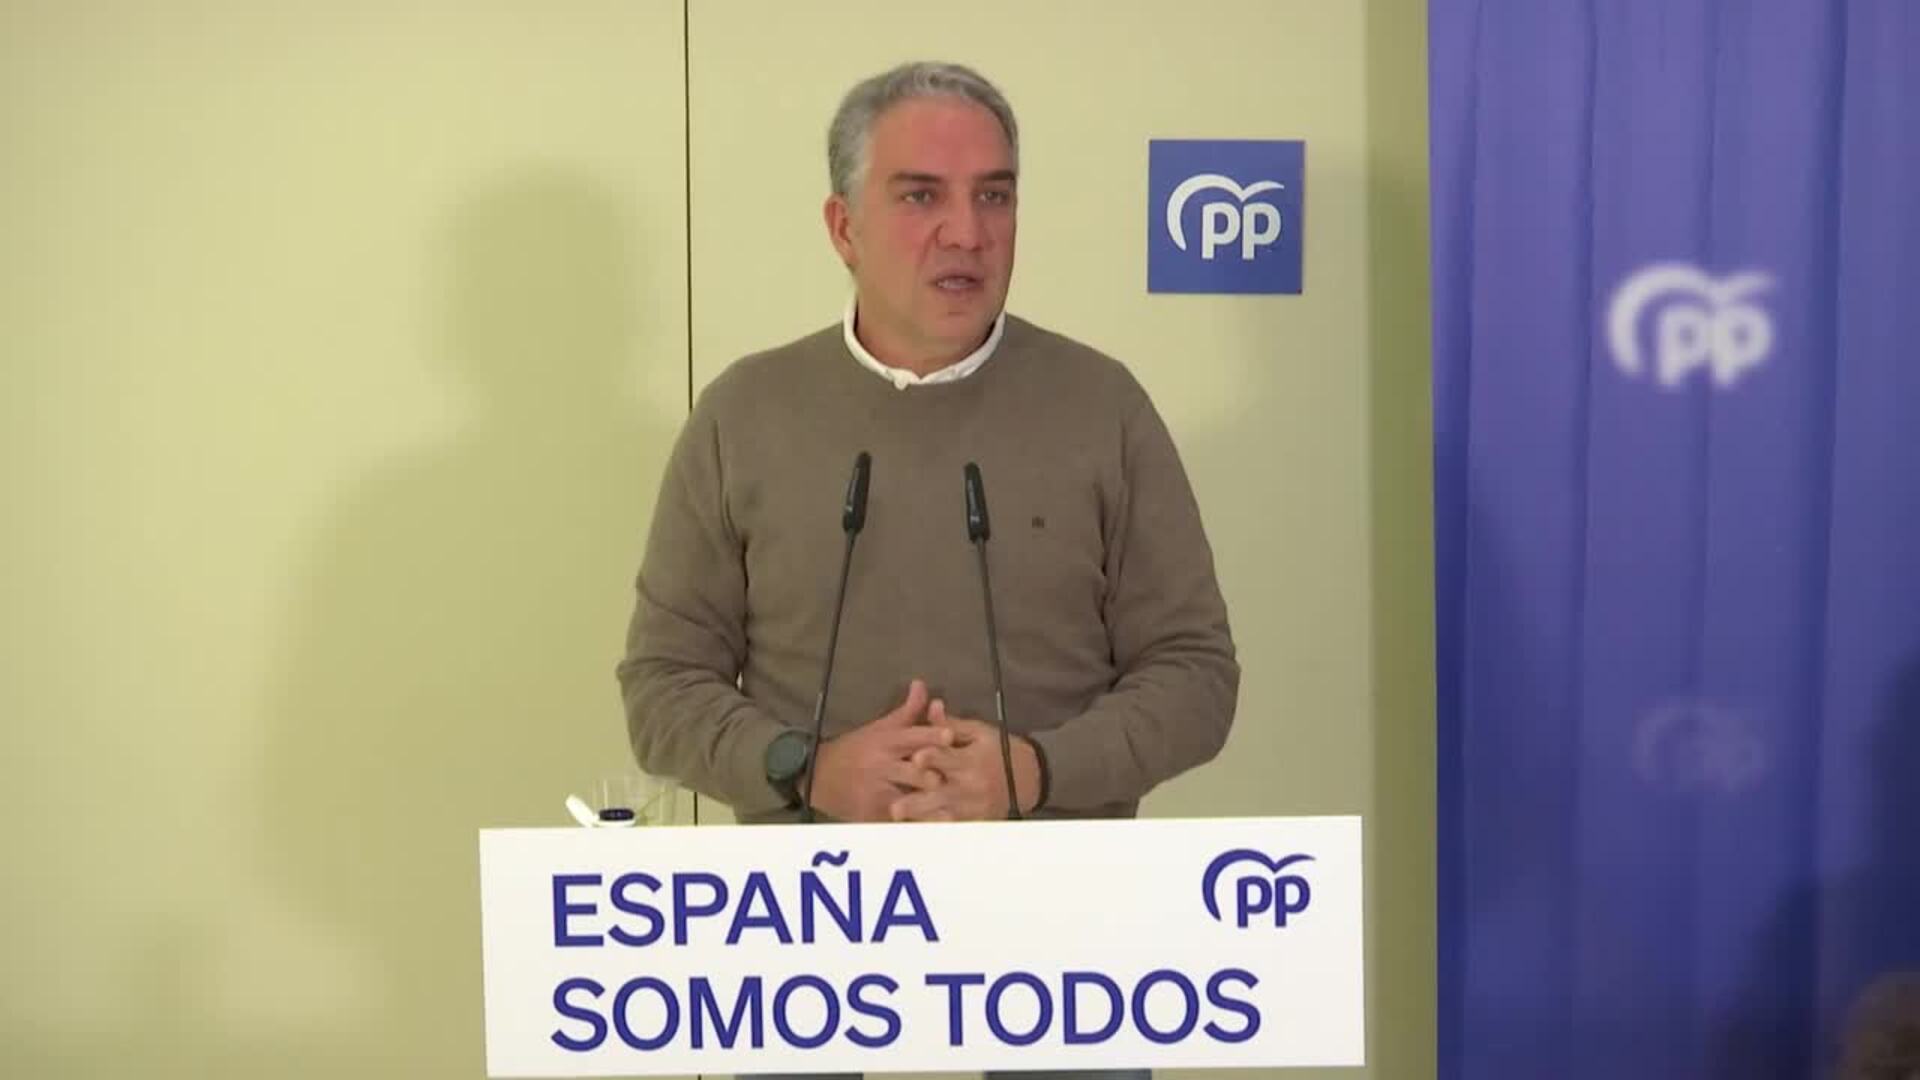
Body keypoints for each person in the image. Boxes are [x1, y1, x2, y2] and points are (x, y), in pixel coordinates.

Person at [616, 60, 1239, 1079]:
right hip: (803, 928)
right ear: (843, 227)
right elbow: (662, 685)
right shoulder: (745, 414)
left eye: (994, 196)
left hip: (1066, 926)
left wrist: (1032, 772)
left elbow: (1195, 675)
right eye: (920, 197)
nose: (967, 232)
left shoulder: (1103, 408)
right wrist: (808, 769)